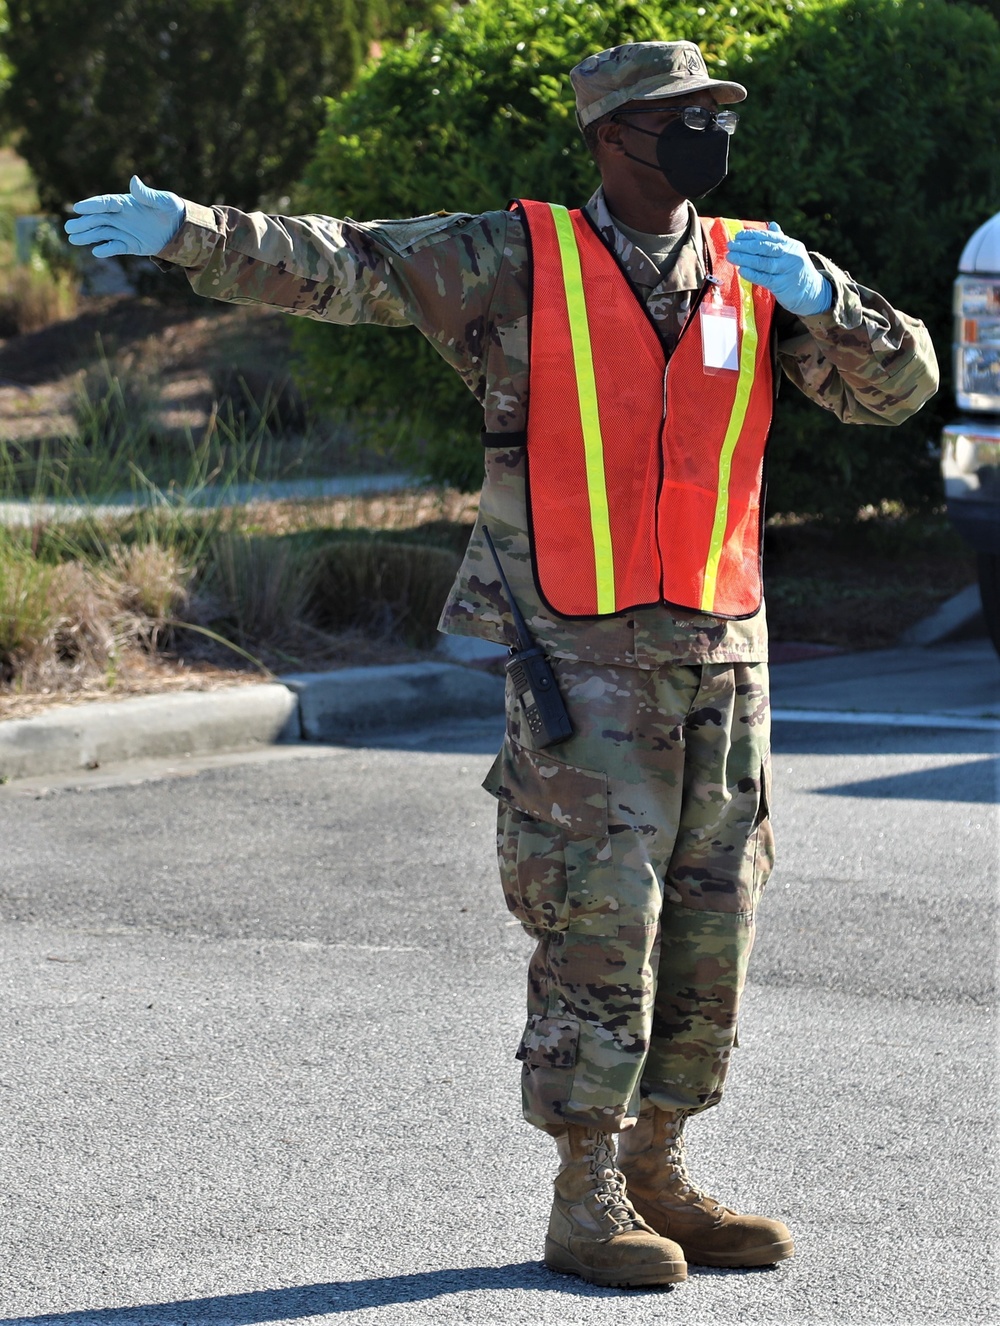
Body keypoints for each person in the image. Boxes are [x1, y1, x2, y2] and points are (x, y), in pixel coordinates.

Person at [65, 39, 938, 1291]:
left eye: (712, 115)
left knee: (712, 920)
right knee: (598, 917)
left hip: (721, 654)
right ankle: (580, 1194)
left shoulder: (753, 270)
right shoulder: (517, 258)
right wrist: (188, 229)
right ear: (609, 139)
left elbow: (896, 390)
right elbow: (346, 266)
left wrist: (827, 298)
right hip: (579, 658)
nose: (703, 136)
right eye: (673, 118)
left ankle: (660, 1166)